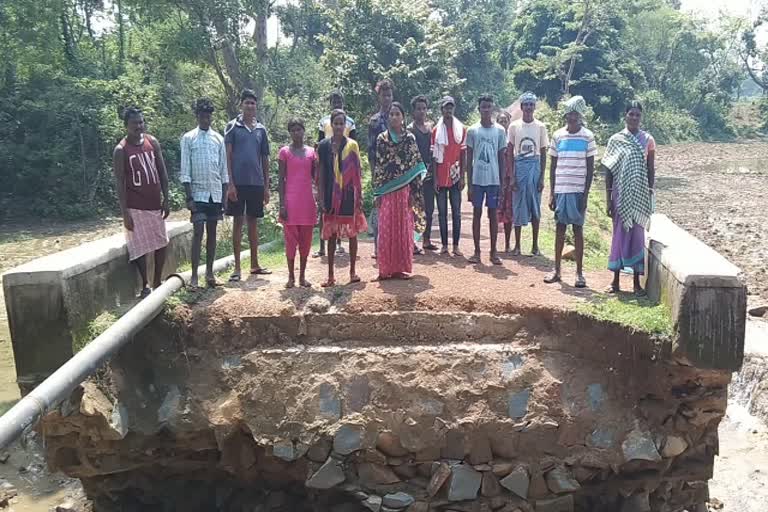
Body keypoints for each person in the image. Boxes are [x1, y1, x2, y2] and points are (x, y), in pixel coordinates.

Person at [112, 107, 170, 298]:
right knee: (139, 247)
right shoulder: (121, 150)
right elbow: (120, 182)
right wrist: (124, 213)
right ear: (126, 126)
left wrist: (166, 198)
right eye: (134, 123)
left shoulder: (152, 142)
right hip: (135, 204)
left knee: (161, 242)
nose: (139, 126)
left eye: (141, 122)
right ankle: (145, 284)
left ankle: (157, 280)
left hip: (154, 202)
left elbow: (162, 171)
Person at [602, 101, 655, 295]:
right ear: (625, 116)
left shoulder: (648, 140)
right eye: (631, 114)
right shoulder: (616, 140)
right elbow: (609, 170)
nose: (634, 118)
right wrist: (608, 198)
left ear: (641, 117)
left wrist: (650, 192)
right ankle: (615, 281)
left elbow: (650, 168)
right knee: (619, 235)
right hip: (620, 194)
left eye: (637, 115)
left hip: (640, 195)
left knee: (637, 237)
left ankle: (635, 283)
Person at [545, 96, 597, 288]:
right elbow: (553, 166)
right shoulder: (558, 135)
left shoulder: (587, 136)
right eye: (569, 113)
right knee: (559, 229)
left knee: (577, 230)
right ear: (566, 115)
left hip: (577, 191)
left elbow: (590, 169)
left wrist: (585, 195)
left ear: (580, 115)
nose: (572, 117)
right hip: (561, 190)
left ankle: (579, 274)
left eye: (575, 113)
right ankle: (557, 270)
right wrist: (552, 193)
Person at [374, 102, 426, 280]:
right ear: (387, 118)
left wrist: (414, 192)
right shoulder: (382, 138)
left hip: (405, 191)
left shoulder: (410, 138)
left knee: (403, 229)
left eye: (397, 114)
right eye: (391, 114)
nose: (394, 117)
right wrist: (378, 193)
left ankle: (401, 268)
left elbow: (416, 164)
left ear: (403, 117)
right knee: (386, 228)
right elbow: (380, 166)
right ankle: (385, 269)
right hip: (387, 191)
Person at [224, 89, 272, 282]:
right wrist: (230, 183)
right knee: (238, 223)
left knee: (253, 223)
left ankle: (254, 264)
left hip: (256, 183)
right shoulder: (232, 127)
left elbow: (265, 158)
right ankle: (237, 268)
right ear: (241, 105)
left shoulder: (261, 129)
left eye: (253, 103)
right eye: (247, 103)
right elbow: (228, 156)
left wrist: (266, 186)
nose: (250, 106)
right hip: (238, 183)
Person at [180, 98, 227, 289]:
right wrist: (189, 197)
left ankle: (209, 273)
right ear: (197, 116)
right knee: (198, 231)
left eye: (208, 116)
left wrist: (224, 197)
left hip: (214, 194)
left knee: (212, 233)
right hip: (197, 195)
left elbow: (224, 170)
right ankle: (193, 276)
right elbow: (185, 170)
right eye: (202, 116)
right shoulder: (189, 138)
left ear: (211, 117)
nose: (205, 119)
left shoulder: (218, 139)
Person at [318, 110, 368, 286]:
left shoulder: (352, 145)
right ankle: (331, 275)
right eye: (336, 123)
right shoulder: (323, 145)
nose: (339, 126)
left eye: (342, 123)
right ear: (331, 125)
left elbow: (357, 173)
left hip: (348, 194)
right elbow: (322, 172)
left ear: (345, 125)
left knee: (352, 233)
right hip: (331, 194)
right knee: (331, 233)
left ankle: (353, 272)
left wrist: (359, 196)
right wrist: (321, 197)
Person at [466, 94, 507, 265]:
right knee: (476, 213)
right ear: (479, 108)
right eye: (483, 106)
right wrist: (468, 184)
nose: (486, 110)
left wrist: (502, 182)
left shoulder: (500, 131)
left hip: (493, 180)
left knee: (493, 215)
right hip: (477, 179)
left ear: (493, 108)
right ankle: (476, 252)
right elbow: (469, 160)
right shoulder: (472, 130)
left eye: (489, 107)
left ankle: (493, 251)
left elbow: (502, 158)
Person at [315, 90, 356, 258]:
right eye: (334, 100)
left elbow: (354, 145)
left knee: (341, 210)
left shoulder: (350, 122)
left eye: (339, 100)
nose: (337, 102)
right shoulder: (323, 121)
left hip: (345, 167)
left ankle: (339, 243)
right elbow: (318, 143)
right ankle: (322, 246)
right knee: (325, 210)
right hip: (327, 162)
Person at [508, 92, 549, 256]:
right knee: (518, 205)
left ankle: (535, 245)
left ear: (534, 107)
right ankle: (517, 245)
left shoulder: (540, 127)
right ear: (521, 106)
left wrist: (541, 178)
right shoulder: (514, 126)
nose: (529, 108)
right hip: (519, 167)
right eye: (526, 104)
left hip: (534, 167)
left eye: (531, 105)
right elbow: (510, 151)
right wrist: (511, 176)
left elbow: (544, 152)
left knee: (535, 206)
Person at [279, 118, 317, 289]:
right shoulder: (284, 152)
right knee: (290, 241)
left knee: (306, 241)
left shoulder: (311, 153)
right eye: (293, 130)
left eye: (299, 129)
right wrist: (281, 205)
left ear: (304, 130)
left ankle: (302, 276)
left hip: (307, 202)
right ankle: (291, 277)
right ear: (290, 132)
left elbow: (316, 177)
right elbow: (281, 180)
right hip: (290, 203)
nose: (296, 133)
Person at [431, 96, 466, 256]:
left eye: (451, 107)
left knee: (456, 212)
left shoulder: (461, 130)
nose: (448, 110)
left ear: (454, 109)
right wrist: (435, 179)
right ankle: (444, 245)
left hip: (455, 174)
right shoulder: (436, 131)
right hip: (440, 174)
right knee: (443, 212)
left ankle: (456, 245)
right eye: (446, 107)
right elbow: (433, 157)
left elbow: (464, 154)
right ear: (441, 109)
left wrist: (463, 176)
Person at [368, 79, 395, 258]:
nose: (387, 98)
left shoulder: (397, 115)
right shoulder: (374, 121)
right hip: (380, 171)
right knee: (380, 209)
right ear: (379, 97)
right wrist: (373, 173)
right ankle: (378, 247)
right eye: (384, 95)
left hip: (397, 172)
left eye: (389, 95)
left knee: (396, 209)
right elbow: (371, 150)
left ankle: (394, 245)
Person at [407, 95, 436, 253]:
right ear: (413, 111)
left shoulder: (431, 128)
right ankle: (413, 241)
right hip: (415, 175)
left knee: (429, 208)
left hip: (430, 174)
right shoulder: (410, 129)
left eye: (424, 108)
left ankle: (427, 239)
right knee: (415, 209)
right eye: (418, 108)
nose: (422, 111)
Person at [495, 110, 514, 252]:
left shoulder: (512, 139)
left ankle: (507, 244)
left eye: (505, 121)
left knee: (509, 213)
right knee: (494, 212)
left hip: (508, 179)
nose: (503, 123)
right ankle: (494, 245)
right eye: (500, 121)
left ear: (509, 122)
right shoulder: (494, 137)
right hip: (495, 179)